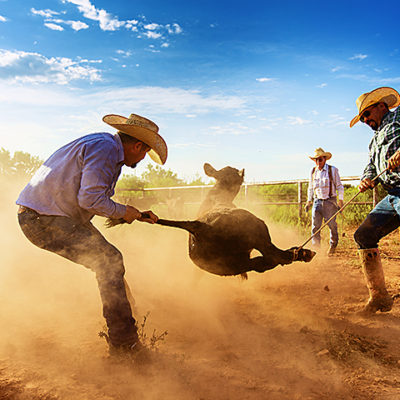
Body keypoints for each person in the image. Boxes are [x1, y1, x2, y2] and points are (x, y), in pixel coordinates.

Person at [16, 113, 168, 356]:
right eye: (144, 153)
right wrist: (124, 211)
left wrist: (135, 214)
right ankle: (124, 346)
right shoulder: (107, 150)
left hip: (48, 216)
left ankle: (126, 319)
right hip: (44, 219)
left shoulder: (102, 145)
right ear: (138, 145)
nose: (142, 159)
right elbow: (90, 199)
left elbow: (91, 198)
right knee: (109, 261)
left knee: (109, 261)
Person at [351, 86, 400, 314]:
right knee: (364, 234)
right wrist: (366, 179)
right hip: (393, 195)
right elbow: (371, 166)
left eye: (367, 115)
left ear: (382, 105)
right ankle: (379, 296)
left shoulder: (399, 115)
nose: (365, 121)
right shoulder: (374, 141)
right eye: (362, 119)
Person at [304, 148, 344, 255]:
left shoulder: (333, 170)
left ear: (325, 159)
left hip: (330, 202)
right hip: (317, 201)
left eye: (320, 159)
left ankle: (333, 245)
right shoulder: (313, 171)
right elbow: (311, 188)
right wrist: (309, 200)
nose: (318, 162)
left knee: (332, 225)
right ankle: (316, 249)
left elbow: (339, 186)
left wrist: (340, 200)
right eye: (316, 160)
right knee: (315, 227)